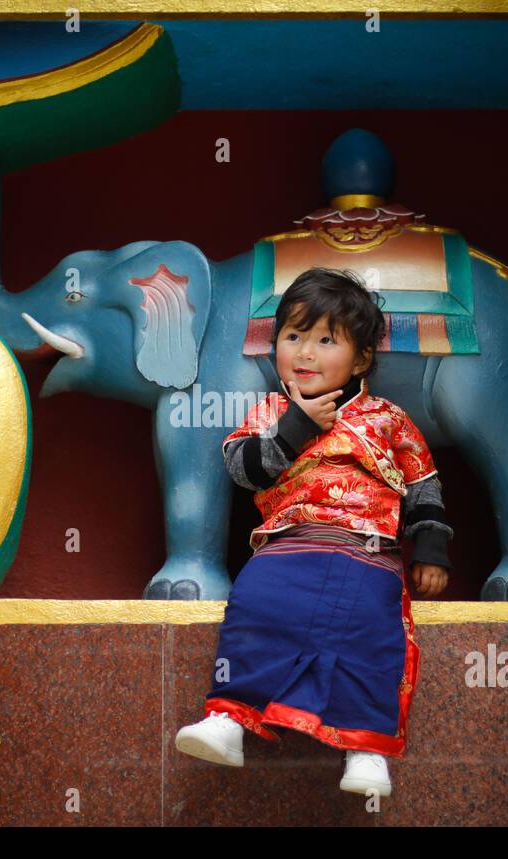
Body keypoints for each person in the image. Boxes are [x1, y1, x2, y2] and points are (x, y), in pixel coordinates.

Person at [175, 267, 452, 797]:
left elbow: (423, 487)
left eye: (326, 340)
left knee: (373, 639)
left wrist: (433, 551)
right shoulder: (268, 412)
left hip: (366, 555)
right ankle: (229, 720)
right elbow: (243, 470)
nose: (305, 353)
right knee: (252, 612)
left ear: (362, 358)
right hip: (285, 551)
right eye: (294, 336)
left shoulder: (388, 420)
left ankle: (366, 748)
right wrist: (298, 427)